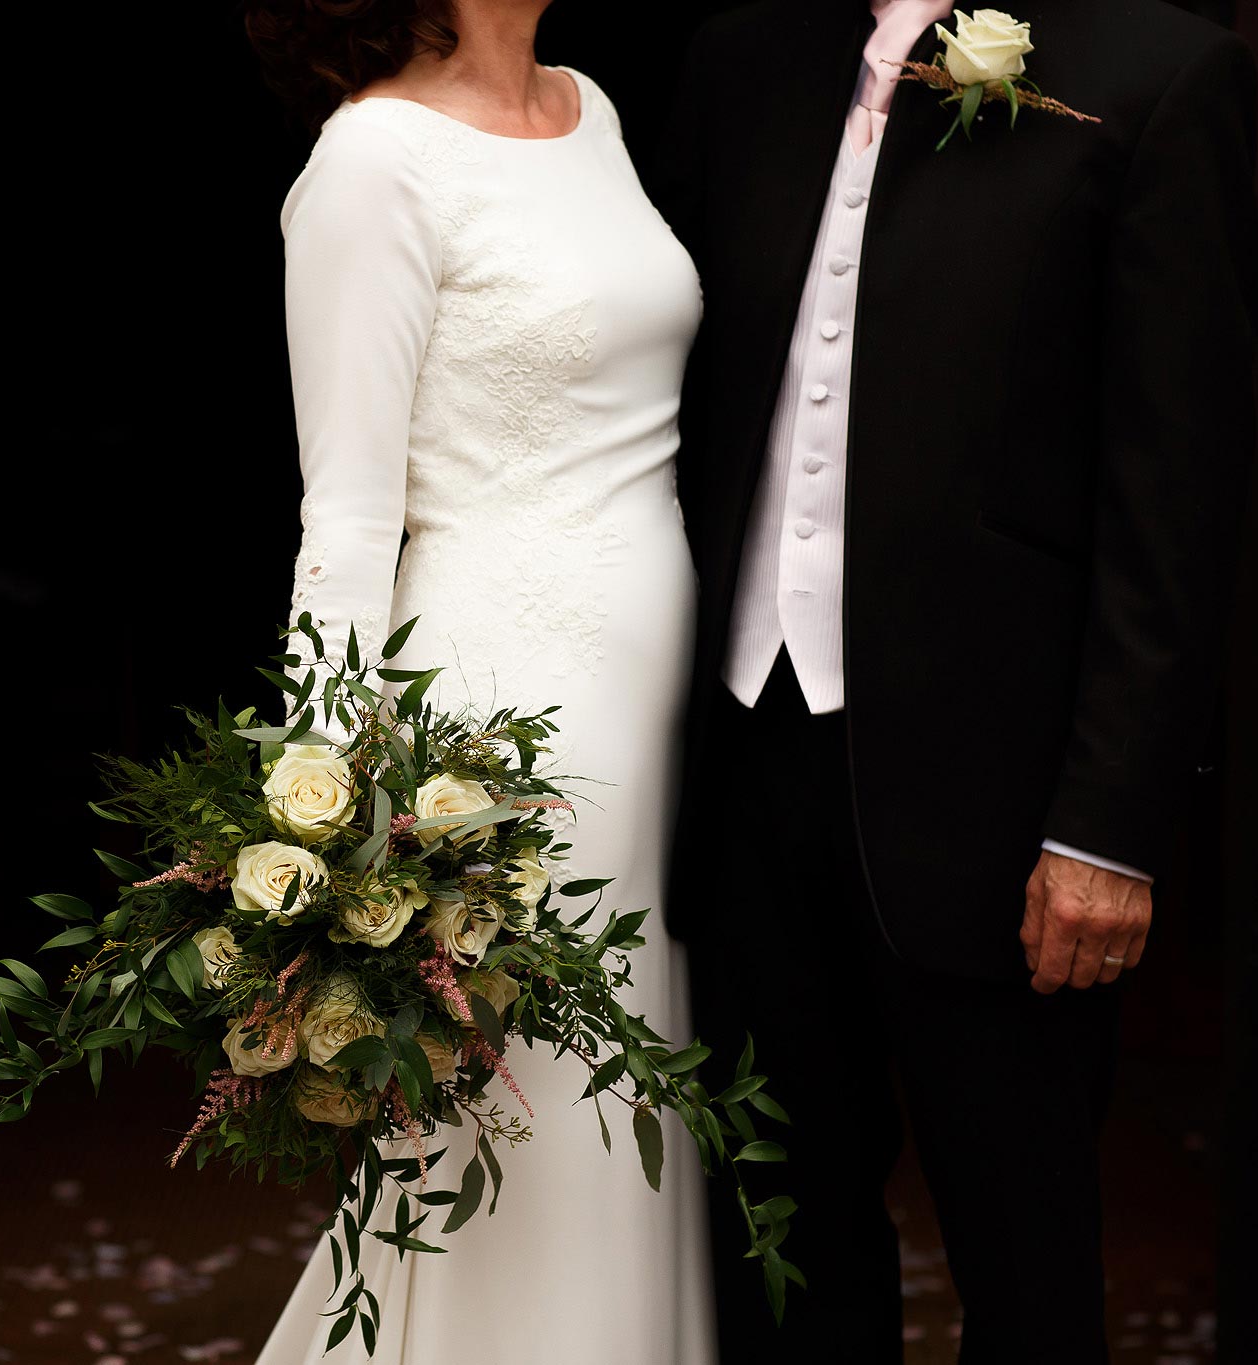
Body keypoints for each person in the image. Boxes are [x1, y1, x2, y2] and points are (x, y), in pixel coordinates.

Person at [654, 1, 1258, 1360]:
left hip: (1007, 804)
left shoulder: (1156, 71)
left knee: (1028, 1265)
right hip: (748, 760)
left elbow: (1178, 488)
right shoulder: (743, 57)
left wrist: (1107, 822)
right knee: (781, 1255)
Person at [243, 0, 716, 1361]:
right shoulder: (372, 161)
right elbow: (343, 517)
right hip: (500, 726)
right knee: (526, 1119)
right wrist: (318, 833)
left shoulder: (593, 107)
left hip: (658, 711)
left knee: (626, 1102)